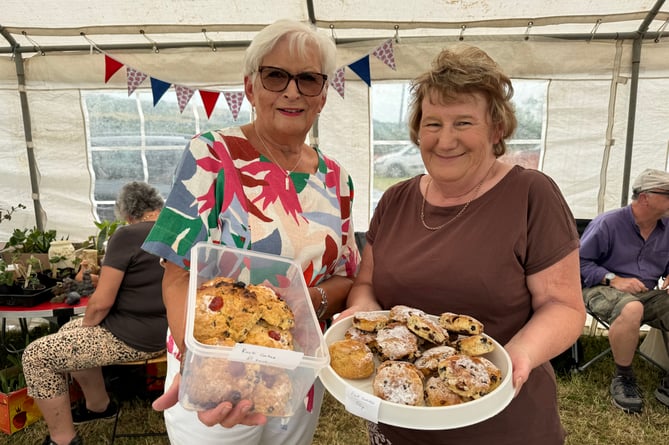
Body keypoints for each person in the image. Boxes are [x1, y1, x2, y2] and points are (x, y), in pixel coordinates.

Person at [342, 45, 585, 445]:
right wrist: (360, 317)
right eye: (433, 123)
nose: (445, 139)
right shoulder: (396, 200)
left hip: (499, 418)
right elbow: (368, 286)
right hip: (401, 415)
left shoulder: (530, 194)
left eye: (463, 122)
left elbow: (564, 306)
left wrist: (516, 357)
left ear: (496, 130)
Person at [141, 19, 359, 445]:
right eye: (275, 75)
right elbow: (179, 273)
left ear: (324, 96)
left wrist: (304, 302)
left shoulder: (338, 180)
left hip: (295, 369)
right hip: (215, 367)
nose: (292, 91)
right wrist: (201, 365)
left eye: (308, 79)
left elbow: (346, 276)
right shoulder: (212, 155)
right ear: (250, 87)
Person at [22, 181, 167, 445]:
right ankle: (99, 406)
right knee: (68, 331)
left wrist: (88, 326)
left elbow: (100, 304)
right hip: (166, 331)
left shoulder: (127, 236)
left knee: (36, 356)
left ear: (126, 212)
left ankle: (62, 440)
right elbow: (148, 283)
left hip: (134, 336)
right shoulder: (175, 231)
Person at [580, 168, 669, 414]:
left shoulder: (668, 227)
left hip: (647, 293)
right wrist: (613, 278)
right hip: (599, 288)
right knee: (632, 308)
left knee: (637, 304)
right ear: (645, 198)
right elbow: (577, 263)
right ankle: (624, 378)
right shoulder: (608, 223)